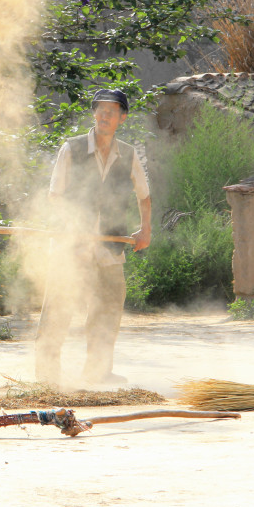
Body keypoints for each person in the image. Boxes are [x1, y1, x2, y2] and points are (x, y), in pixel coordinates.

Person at [35, 88, 152, 386]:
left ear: (122, 118)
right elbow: (55, 196)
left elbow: (144, 195)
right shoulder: (71, 149)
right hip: (70, 248)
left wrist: (145, 229)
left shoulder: (128, 153)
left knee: (108, 309)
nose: (104, 115)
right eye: (100, 109)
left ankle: (98, 372)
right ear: (94, 114)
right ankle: (47, 377)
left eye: (111, 111)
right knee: (58, 311)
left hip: (109, 247)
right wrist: (73, 226)